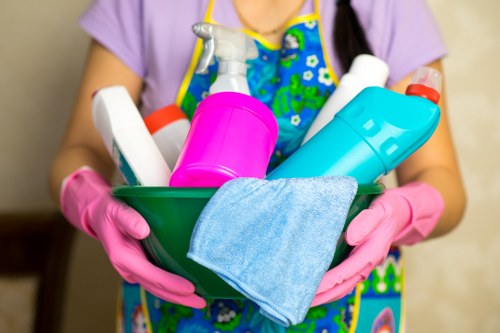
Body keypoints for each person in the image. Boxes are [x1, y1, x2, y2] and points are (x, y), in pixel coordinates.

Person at [49, 0, 466, 331]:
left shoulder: (390, 7)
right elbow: (80, 148)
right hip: (179, 300)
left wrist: (403, 211)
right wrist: (90, 203)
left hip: (340, 309)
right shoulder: (143, 5)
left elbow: (444, 185)